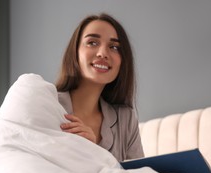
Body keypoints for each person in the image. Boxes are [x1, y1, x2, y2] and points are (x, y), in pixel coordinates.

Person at [55, 13, 144, 162]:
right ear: (75, 52)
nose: (103, 53)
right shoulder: (48, 102)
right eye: (92, 42)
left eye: (114, 47)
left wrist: (95, 152)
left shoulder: (126, 119)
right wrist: (90, 152)